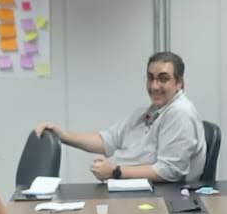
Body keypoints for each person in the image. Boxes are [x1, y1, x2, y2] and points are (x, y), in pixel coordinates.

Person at [34, 51, 205, 182]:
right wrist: (63, 136)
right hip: (128, 187)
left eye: (163, 79)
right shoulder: (147, 111)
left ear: (179, 83)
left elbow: (170, 171)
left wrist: (116, 171)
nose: (154, 86)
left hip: (160, 196)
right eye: (150, 78)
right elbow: (108, 140)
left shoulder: (180, 113)